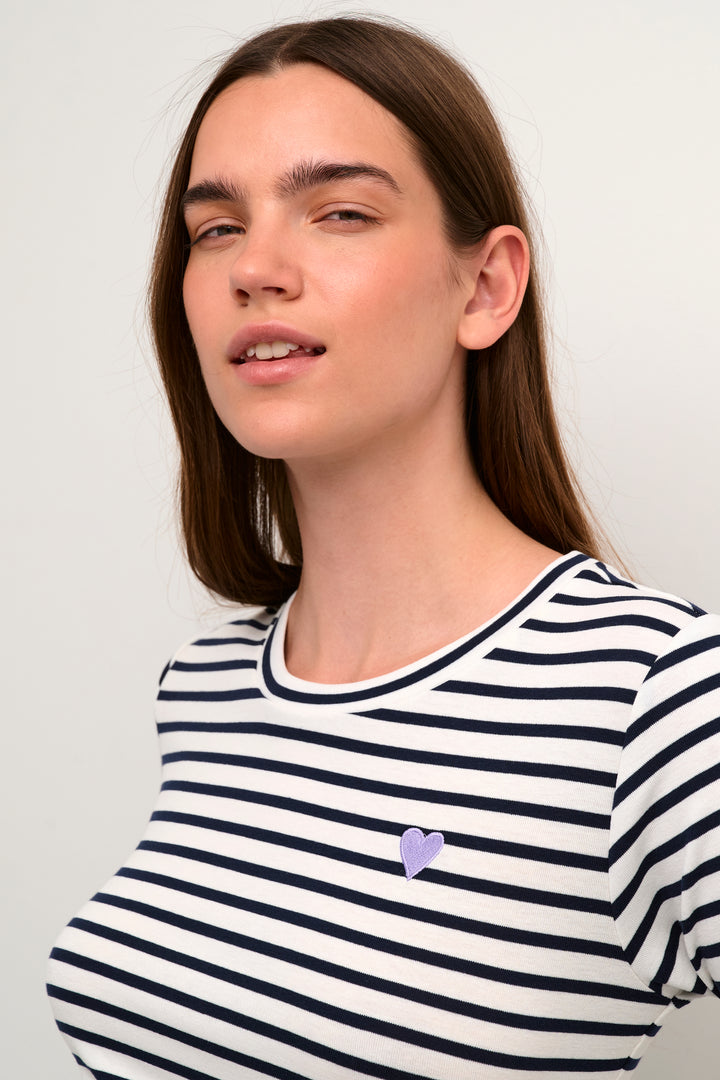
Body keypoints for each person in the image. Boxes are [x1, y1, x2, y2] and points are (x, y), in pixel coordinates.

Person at [47, 15, 720, 1079]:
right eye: (215, 229)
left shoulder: (658, 701)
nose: (254, 267)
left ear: (486, 287)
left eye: (341, 213)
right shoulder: (205, 688)